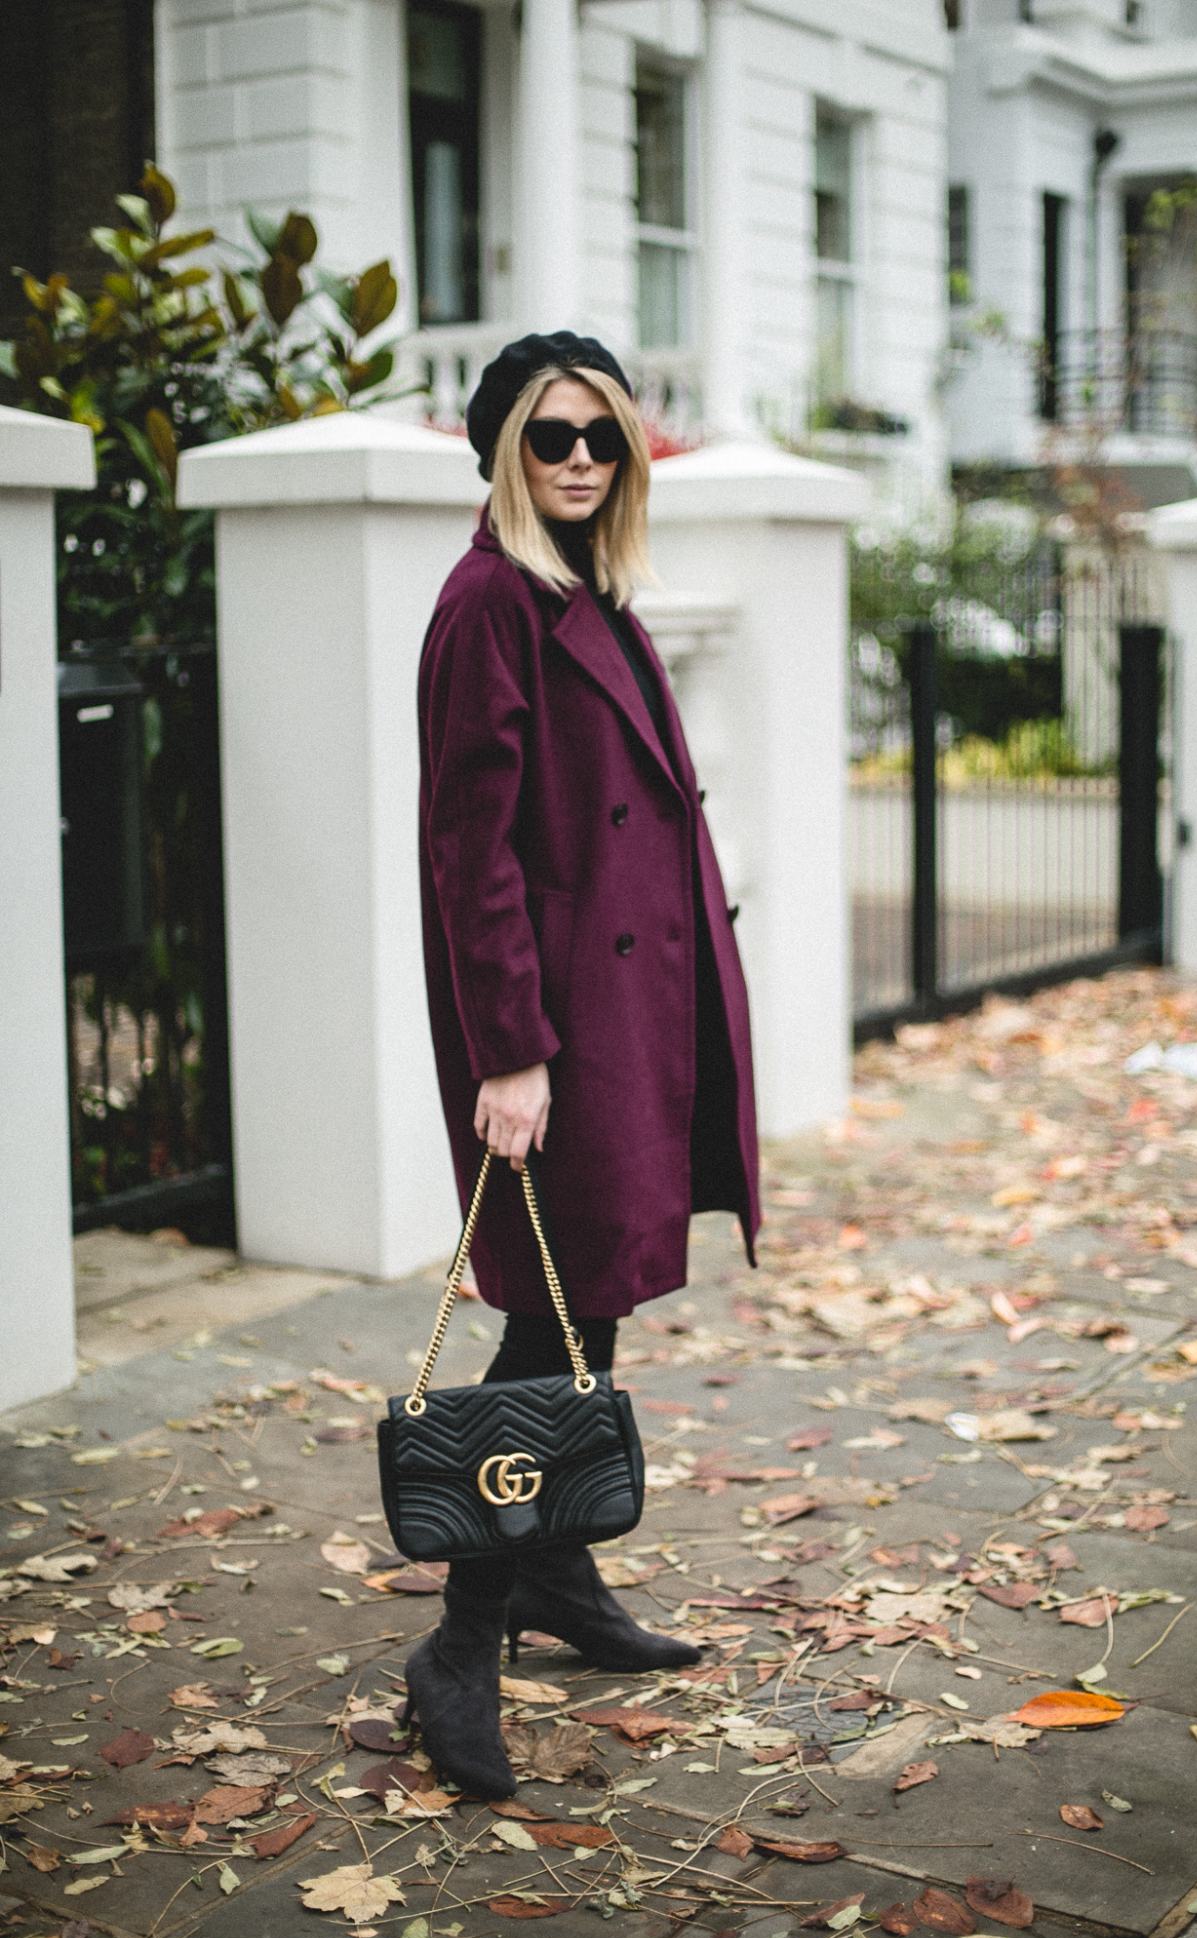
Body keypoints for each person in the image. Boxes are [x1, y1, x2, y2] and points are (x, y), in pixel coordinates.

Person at [403, 329, 763, 1798]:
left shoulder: (586, 586)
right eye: (550, 436)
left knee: (590, 1294)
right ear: (503, 447)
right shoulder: (486, 601)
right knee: (548, 1327)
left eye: (601, 438)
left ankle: (556, 1575)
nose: (576, 460)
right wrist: (511, 1054)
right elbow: (468, 851)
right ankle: (462, 1634)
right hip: (549, 1029)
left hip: (629, 1012)